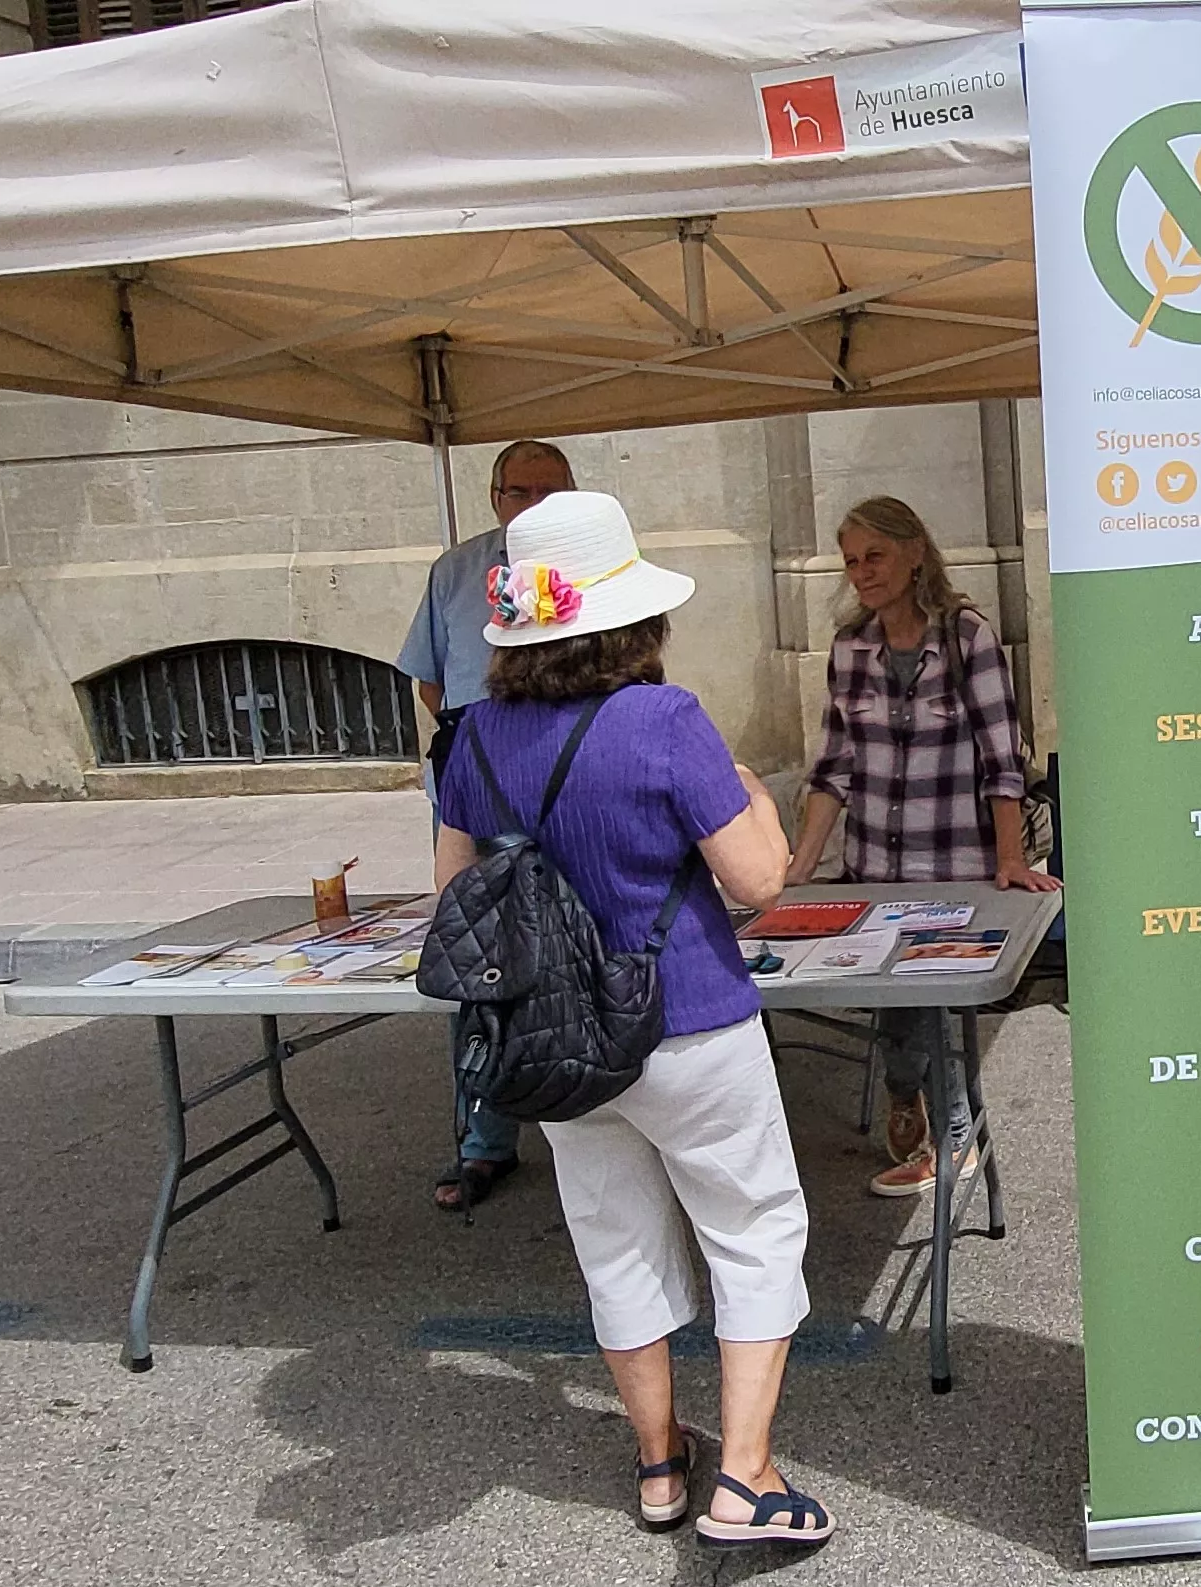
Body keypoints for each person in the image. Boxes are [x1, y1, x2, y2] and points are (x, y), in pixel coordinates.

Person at [435, 490, 832, 1548]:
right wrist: (750, 792)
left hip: (556, 1044)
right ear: (633, 621)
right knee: (751, 1232)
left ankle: (660, 1464)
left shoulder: (469, 740)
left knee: (614, 1242)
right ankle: (745, 1477)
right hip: (689, 1017)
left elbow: (455, 901)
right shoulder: (665, 722)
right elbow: (759, 882)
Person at [786, 495, 1062, 1199]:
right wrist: (797, 869)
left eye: (874, 555)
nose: (861, 572)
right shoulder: (851, 649)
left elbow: (1003, 758)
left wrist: (1008, 859)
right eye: (851, 561)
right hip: (875, 867)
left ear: (915, 553)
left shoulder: (968, 637)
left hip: (955, 871)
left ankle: (956, 1138)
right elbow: (834, 768)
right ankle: (910, 1095)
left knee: (933, 1005)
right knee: (895, 1007)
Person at [399, 439, 576, 1210]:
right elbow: (430, 677)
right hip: (480, 760)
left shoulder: (592, 565)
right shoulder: (455, 571)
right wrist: (478, 751)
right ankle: (484, 1138)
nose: (532, 504)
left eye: (550, 491)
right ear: (495, 496)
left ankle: (590, 1105)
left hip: (567, 760)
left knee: (578, 941)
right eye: (518, 490)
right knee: (479, 945)